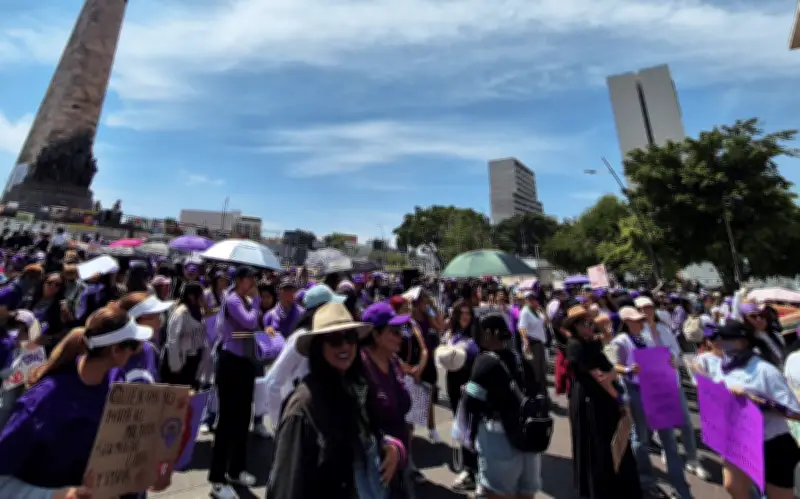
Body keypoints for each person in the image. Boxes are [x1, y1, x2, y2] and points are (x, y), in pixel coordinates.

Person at [0, 306, 172, 498]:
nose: (138, 350)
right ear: (116, 350)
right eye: (133, 345)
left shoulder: (115, 377)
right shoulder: (43, 402)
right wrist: (54, 496)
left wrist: (147, 473)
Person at [265, 301, 406, 499]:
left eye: (350, 337)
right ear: (318, 347)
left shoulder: (355, 386)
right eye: (334, 339)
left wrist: (391, 447)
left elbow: (364, 435)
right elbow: (286, 485)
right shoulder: (303, 406)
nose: (345, 346)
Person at [209, 266, 283, 499]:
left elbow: (253, 326)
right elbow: (249, 322)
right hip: (230, 362)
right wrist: (257, 303)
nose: (253, 284)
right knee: (227, 420)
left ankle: (236, 469)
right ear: (240, 280)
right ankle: (217, 479)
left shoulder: (245, 300)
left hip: (244, 363)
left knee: (243, 418)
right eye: (250, 279)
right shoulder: (233, 299)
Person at [565, 305, 642, 498]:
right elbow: (601, 377)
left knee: (613, 443)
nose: (590, 326)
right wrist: (618, 399)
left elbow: (610, 368)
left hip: (603, 398)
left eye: (590, 323)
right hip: (591, 400)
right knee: (597, 445)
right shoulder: (575, 346)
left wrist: (615, 375)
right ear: (576, 326)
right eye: (586, 323)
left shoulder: (591, 343)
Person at [463, 312, 543, 499]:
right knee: (526, 493)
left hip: (498, 437)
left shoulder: (484, 362)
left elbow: (471, 403)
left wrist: (470, 436)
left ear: (489, 333)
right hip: (528, 437)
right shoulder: (520, 359)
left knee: (495, 492)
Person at [717, 321, 800, 499]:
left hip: (772, 443)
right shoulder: (722, 367)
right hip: (740, 440)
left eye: (726, 339)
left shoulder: (764, 370)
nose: (721, 343)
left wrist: (760, 403)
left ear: (742, 342)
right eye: (720, 338)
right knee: (732, 485)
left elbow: (795, 412)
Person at [162, 281, 207, 388]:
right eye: (201, 295)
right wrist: (175, 366)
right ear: (191, 296)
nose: (203, 298)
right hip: (181, 362)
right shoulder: (180, 313)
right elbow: (172, 340)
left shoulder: (198, 311)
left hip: (193, 359)